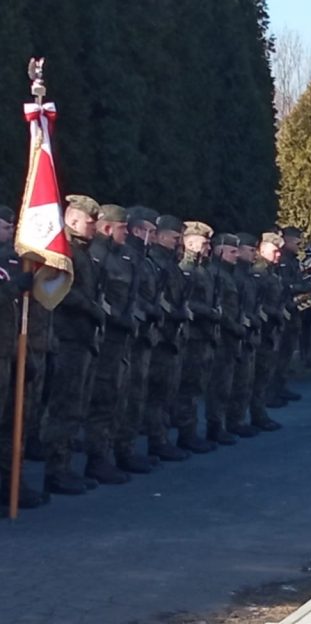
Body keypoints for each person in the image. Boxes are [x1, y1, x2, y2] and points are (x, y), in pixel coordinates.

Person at [44, 195, 105, 494]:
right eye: (90, 223)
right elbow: (57, 290)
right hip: (66, 337)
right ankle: (56, 471)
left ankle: (64, 467)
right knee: (63, 406)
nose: (94, 228)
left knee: (74, 405)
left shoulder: (83, 251)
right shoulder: (63, 250)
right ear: (73, 220)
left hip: (80, 338)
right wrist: (90, 307)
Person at [83, 204, 136, 486]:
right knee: (101, 400)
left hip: (117, 341)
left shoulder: (120, 257)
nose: (126, 233)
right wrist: (117, 318)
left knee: (115, 398)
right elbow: (96, 299)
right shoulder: (96, 256)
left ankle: (107, 455)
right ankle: (95, 459)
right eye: (122, 228)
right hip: (102, 340)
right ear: (107, 228)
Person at [0, 205, 48, 508]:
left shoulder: (10, 261)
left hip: (8, 351)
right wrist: (11, 290)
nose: (10, 232)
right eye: (6, 226)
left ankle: (7, 484)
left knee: (8, 422)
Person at [114, 206, 161, 474]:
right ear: (136, 230)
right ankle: (120, 451)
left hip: (142, 335)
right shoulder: (128, 257)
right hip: (126, 335)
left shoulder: (143, 258)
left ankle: (127, 449)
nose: (152, 237)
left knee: (136, 395)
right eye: (149, 231)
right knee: (123, 397)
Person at [145, 214, 191, 462]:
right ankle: (157, 439)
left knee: (166, 391)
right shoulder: (156, 262)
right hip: (161, 335)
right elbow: (158, 298)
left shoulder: (170, 263)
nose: (178, 242)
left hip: (172, 334)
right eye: (175, 237)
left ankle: (161, 438)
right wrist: (172, 313)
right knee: (158, 392)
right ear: (161, 236)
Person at [175, 221, 219, 455]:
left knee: (196, 385)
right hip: (192, 335)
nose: (207, 248)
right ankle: (186, 433)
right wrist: (209, 312)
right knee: (188, 386)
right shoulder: (186, 269)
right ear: (190, 243)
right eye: (203, 244)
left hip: (203, 335)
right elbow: (186, 301)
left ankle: (191, 431)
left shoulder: (203, 269)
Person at [206, 233, 245, 444]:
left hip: (231, 336)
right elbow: (220, 307)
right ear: (220, 251)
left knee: (227, 383)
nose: (236, 256)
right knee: (218, 384)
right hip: (221, 335)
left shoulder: (230, 274)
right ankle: (214, 426)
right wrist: (233, 326)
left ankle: (224, 423)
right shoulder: (216, 273)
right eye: (232, 251)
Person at [270, 226, 311, 405]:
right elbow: (285, 285)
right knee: (278, 354)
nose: (299, 245)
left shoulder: (293, 260)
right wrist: (301, 287)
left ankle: (281, 386)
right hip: (284, 310)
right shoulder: (283, 260)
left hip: (293, 310)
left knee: (286, 352)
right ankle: (272, 390)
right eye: (297, 242)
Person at [229, 233, 264, 438]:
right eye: (251, 250)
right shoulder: (235, 275)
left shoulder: (248, 275)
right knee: (233, 381)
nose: (254, 254)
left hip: (249, 332)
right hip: (236, 333)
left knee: (246, 379)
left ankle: (240, 418)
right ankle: (231, 421)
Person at [250, 232, 285, 431]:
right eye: (274, 251)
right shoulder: (260, 271)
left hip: (271, 328)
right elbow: (259, 302)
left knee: (264, 372)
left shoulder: (272, 271)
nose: (278, 255)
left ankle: (260, 412)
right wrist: (274, 313)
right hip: (262, 328)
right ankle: (257, 413)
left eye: (279, 251)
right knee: (259, 373)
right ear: (262, 250)